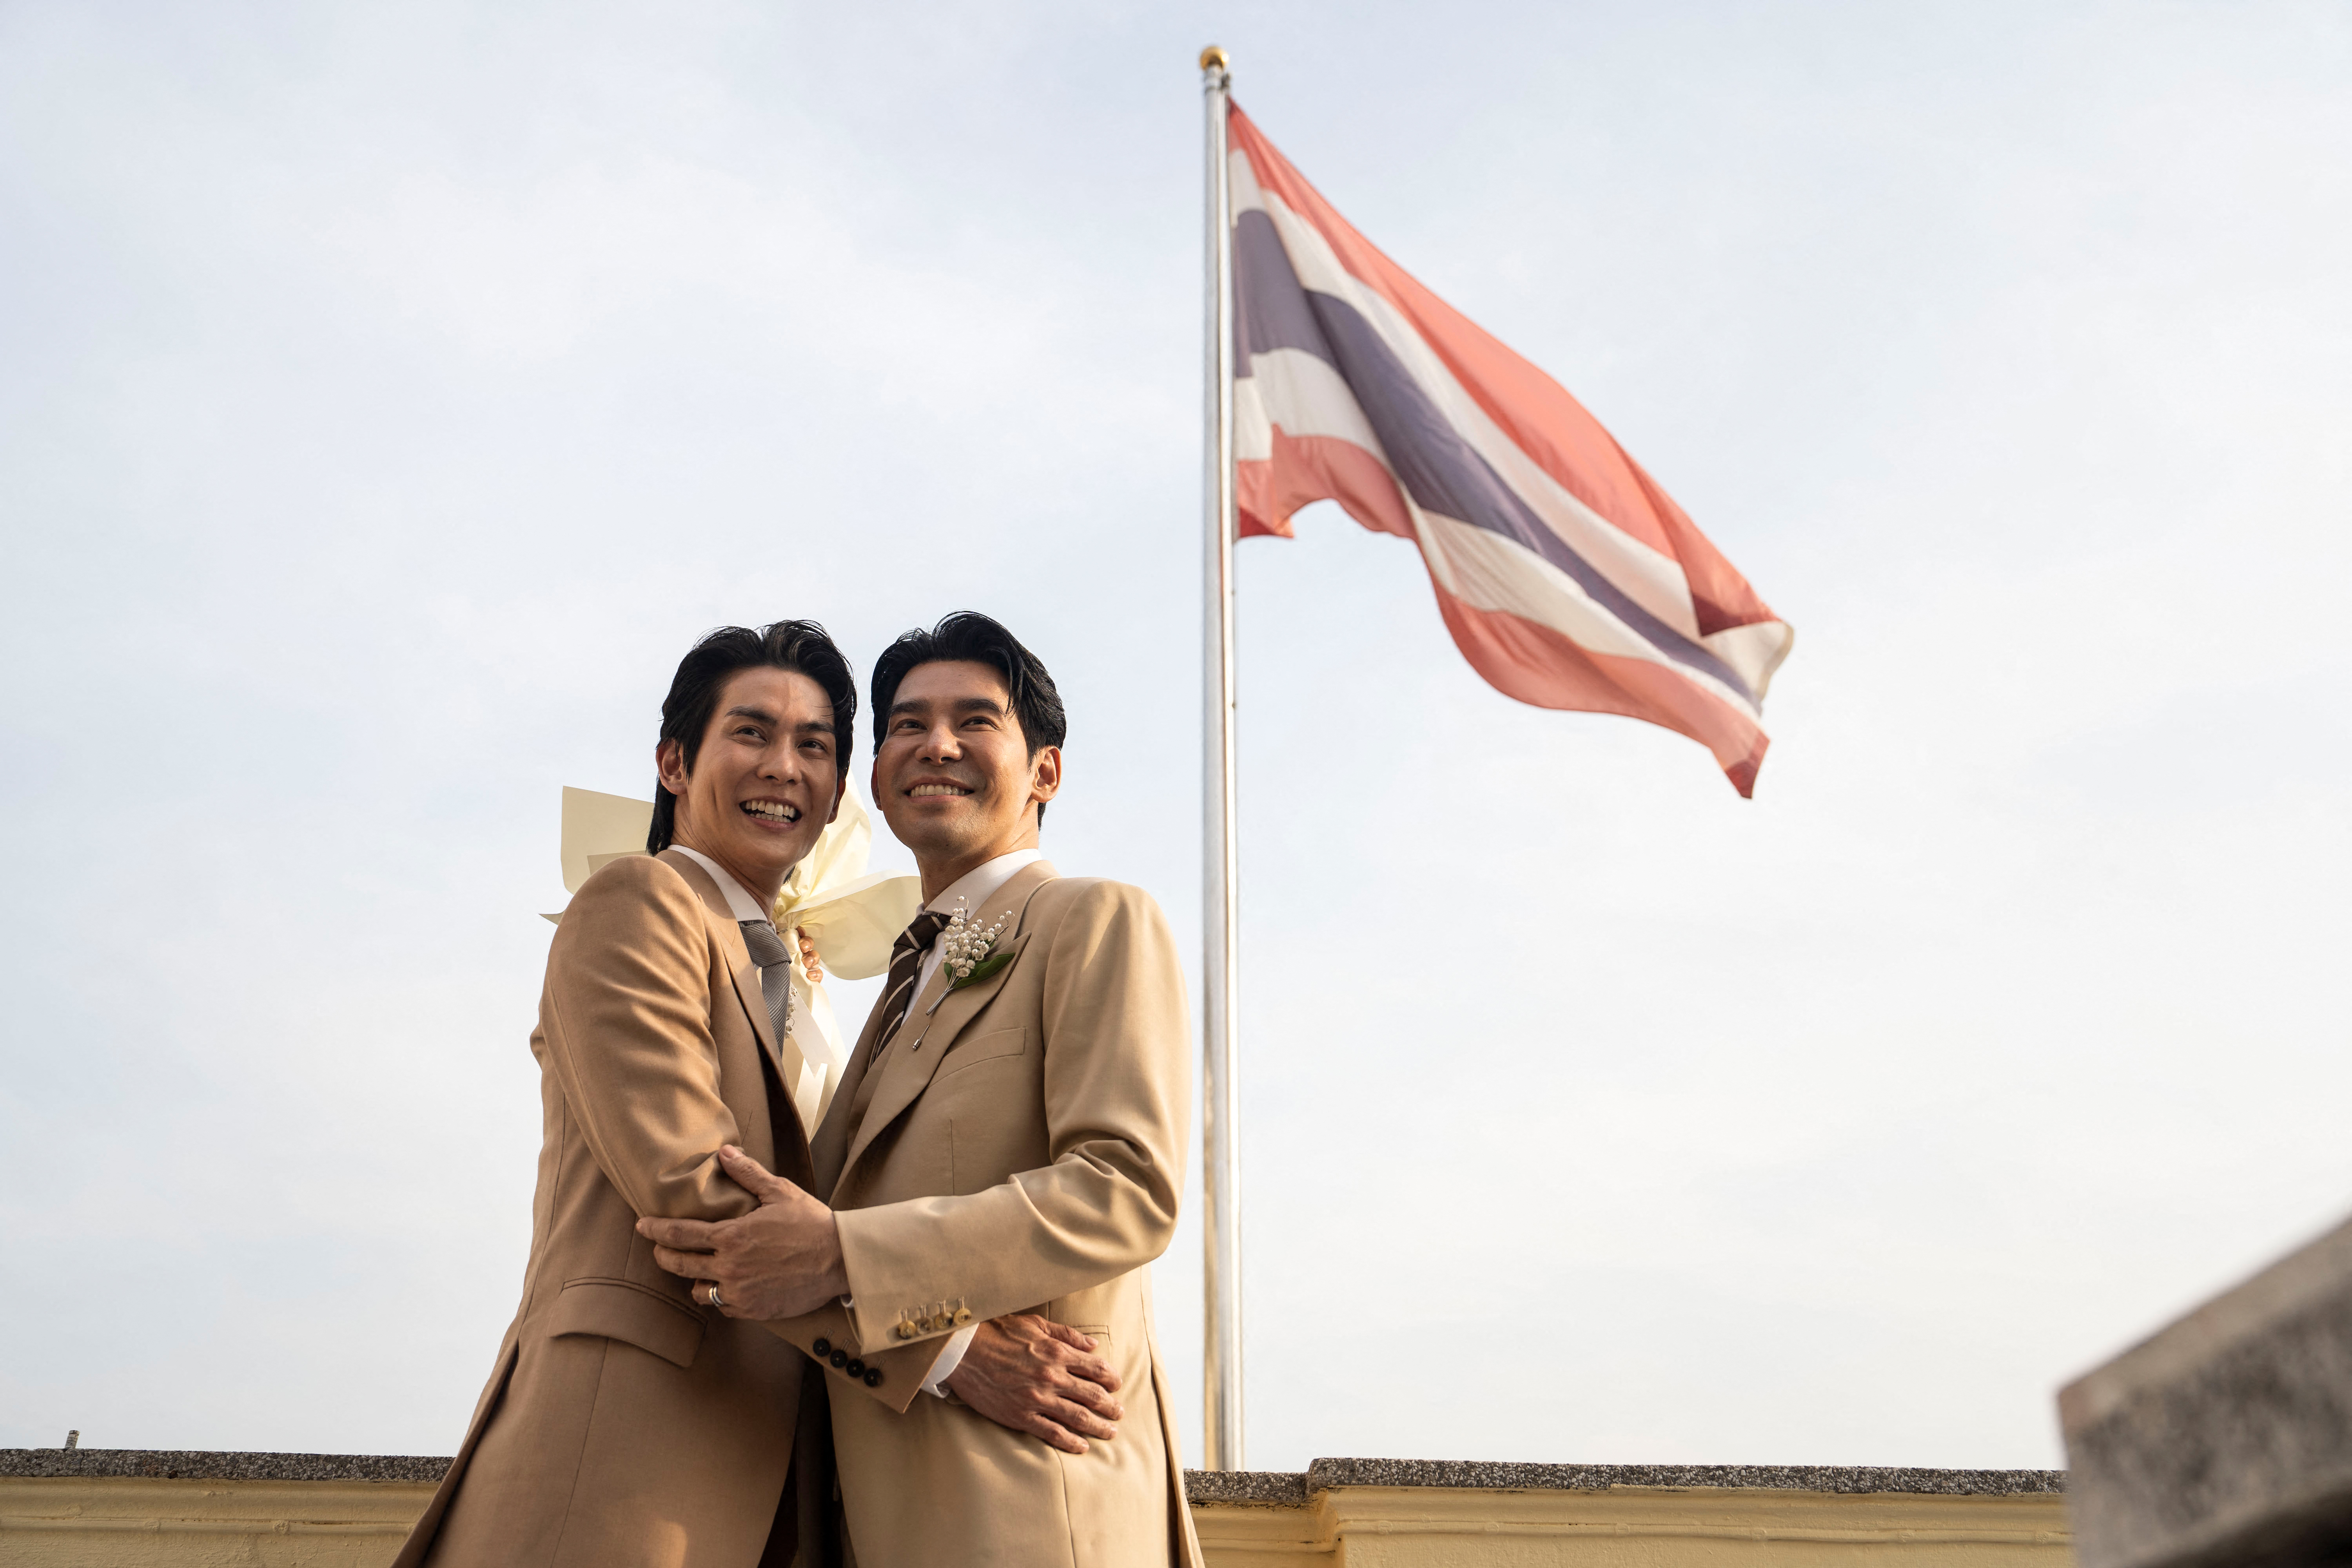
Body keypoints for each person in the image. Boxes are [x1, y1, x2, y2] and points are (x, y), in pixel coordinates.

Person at [394, 619, 1116, 1568]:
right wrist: (950, 1352)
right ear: (674, 762)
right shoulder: (637, 903)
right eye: (751, 733)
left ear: (836, 796)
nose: (784, 766)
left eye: (814, 745)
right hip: (624, 1465)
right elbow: (696, 1194)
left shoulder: (808, 985)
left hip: (792, 1483)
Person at [640, 611, 1203, 1568]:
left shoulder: (1094, 918)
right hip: (862, 1512)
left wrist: (844, 1252)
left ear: (1045, 773)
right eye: (906, 723)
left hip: (1029, 1506)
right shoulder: (897, 993)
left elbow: (1125, 1186)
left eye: (974, 720)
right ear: (877, 781)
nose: (935, 743)